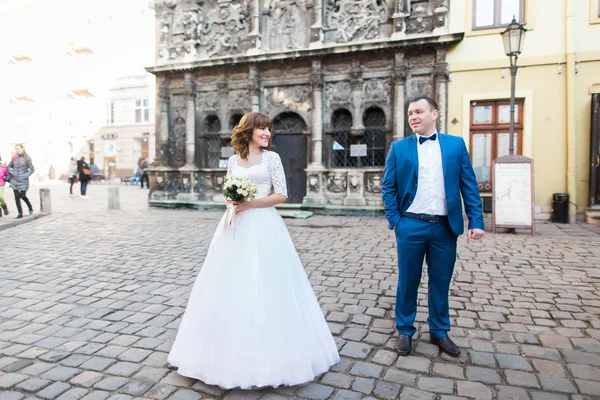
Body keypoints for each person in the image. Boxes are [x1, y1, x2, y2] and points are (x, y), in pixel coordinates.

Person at [167, 111, 339, 389]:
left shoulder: (272, 158)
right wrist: (232, 201)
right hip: (234, 226)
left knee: (267, 283)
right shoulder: (234, 160)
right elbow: (227, 190)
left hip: (263, 225)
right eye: (261, 129)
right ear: (248, 131)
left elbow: (281, 194)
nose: (267, 134)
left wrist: (250, 203)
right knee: (228, 283)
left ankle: (272, 354)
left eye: (269, 129)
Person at [381, 96, 485, 358]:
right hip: (411, 226)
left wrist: (476, 220)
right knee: (408, 281)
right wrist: (396, 220)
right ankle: (405, 330)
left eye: (418, 112)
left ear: (434, 114)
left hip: (444, 228)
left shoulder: (455, 145)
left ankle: (439, 331)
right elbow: (388, 187)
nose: (413, 117)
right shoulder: (399, 148)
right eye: (409, 114)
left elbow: (468, 185)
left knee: (441, 282)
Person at [8, 144, 35, 219]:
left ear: (22, 149)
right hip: (14, 179)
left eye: (18, 149)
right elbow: (9, 166)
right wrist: (12, 171)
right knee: (16, 197)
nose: (17, 150)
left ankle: (30, 206)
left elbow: (32, 169)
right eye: (16, 149)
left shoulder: (27, 158)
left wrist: (25, 175)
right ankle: (20, 213)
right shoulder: (14, 157)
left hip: (23, 180)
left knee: (22, 195)